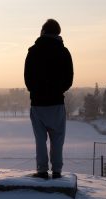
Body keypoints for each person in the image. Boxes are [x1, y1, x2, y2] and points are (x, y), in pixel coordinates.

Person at [24, 19, 73, 179]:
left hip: (38, 104)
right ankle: (57, 171)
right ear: (58, 33)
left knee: (40, 140)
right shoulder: (64, 52)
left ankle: (42, 170)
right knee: (57, 139)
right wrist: (57, 90)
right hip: (57, 103)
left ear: (43, 32)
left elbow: (28, 78)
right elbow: (68, 79)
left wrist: (37, 91)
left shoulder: (33, 51)